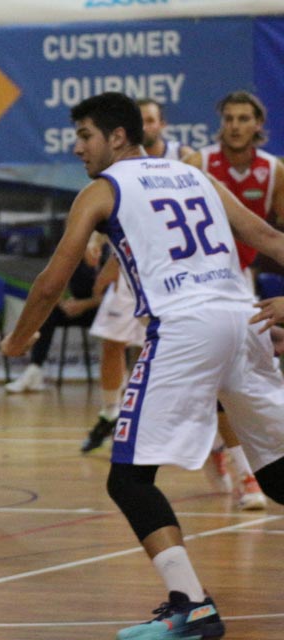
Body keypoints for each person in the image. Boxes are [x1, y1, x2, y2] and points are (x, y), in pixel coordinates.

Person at [2, 92, 284, 640]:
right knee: (275, 471)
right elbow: (270, 238)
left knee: (128, 479)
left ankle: (192, 606)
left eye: (85, 135)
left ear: (117, 137)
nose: (78, 147)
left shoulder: (103, 190)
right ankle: (191, 605)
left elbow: (52, 281)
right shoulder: (197, 176)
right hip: (242, 319)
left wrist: (18, 340)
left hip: (186, 329)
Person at [182, 90, 284, 510]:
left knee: (243, 378)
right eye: (229, 118)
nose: (236, 125)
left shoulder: (274, 171)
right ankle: (243, 468)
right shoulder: (198, 164)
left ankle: (238, 458)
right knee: (218, 378)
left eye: (244, 118)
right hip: (193, 282)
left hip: (239, 282)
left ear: (258, 124)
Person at [80, 99, 189, 451]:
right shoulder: (118, 167)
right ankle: (110, 412)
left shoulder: (183, 158)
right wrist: (97, 240)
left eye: (151, 119)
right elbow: (117, 209)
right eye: (141, 120)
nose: (146, 125)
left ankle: (151, 418)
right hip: (131, 269)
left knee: (158, 347)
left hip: (169, 272)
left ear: (162, 124)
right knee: (111, 340)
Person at [4, 245, 103, 393]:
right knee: (48, 314)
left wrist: (85, 304)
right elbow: (54, 286)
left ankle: (123, 375)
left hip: (101, 309)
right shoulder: (72, 254)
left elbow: (114, 295)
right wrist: (64, 304)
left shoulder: (110, 255)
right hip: (75, 308)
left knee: (118, 317)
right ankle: (34, 370)